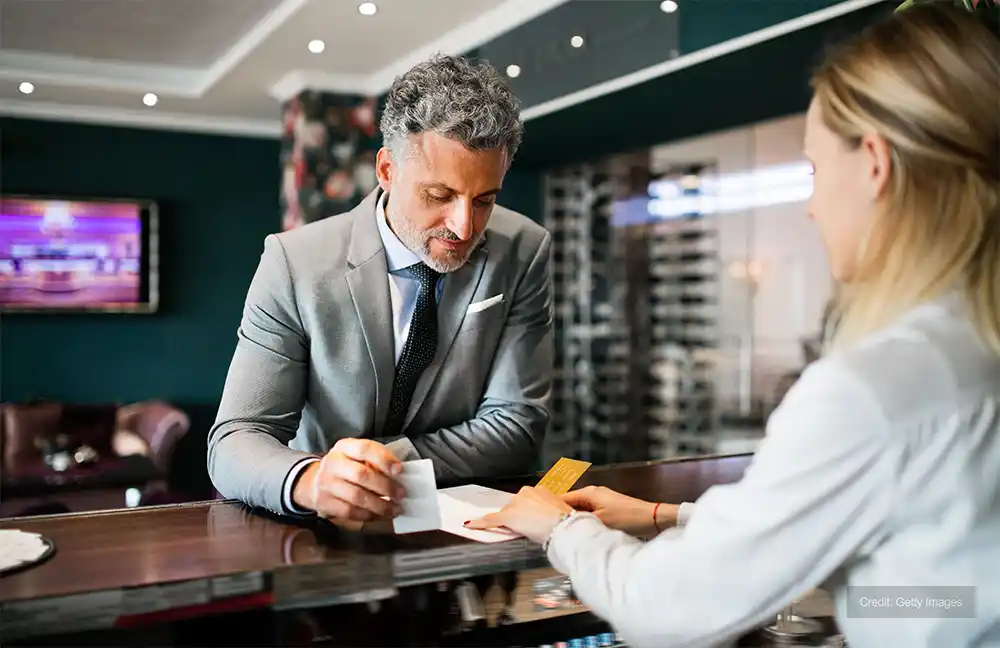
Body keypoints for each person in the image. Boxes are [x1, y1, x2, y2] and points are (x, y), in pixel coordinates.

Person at [469, 4, 1000, 647]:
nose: (811, 207)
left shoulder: (875, 388)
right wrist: (666, 514)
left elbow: (667, 612)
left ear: (875, 165)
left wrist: (559, 530)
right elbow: (944, 590)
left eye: (813, 170)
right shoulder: (971, 348)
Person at [209, 54, 553, 522]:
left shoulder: (524, 249)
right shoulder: (293, 263)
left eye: (485, 199)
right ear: (387, 170)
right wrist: (312, 479)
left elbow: (517, 426)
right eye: (439, 195)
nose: (464, 225)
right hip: (321, 528)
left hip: (467, 531)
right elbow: (235, 441)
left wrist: (377, 466)